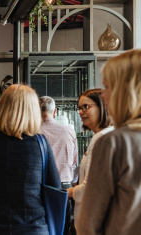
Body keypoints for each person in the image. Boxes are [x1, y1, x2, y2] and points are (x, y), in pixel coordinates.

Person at [0, 84, 61, 235]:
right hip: (34, 228)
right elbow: (55, 187)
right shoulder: (40, 143)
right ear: (33, 111)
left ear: (2, 108)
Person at [77, 50, 141, 235]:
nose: (104, 96)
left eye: (108, 86)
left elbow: (89, 223)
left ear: (126, 90)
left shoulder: (114, 142)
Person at [66, 89, 113, 225]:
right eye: (79, 108)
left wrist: (65, 193)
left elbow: (90, 188)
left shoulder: (102, 139)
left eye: (86, 107)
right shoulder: (105, 136)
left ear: (104, 107)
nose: (81, 112)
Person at [40, 96, 78, 189]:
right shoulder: (69, 131)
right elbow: (74, 161)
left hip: (41, 185)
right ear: (54, 111)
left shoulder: (33, 132)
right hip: (65, 186)